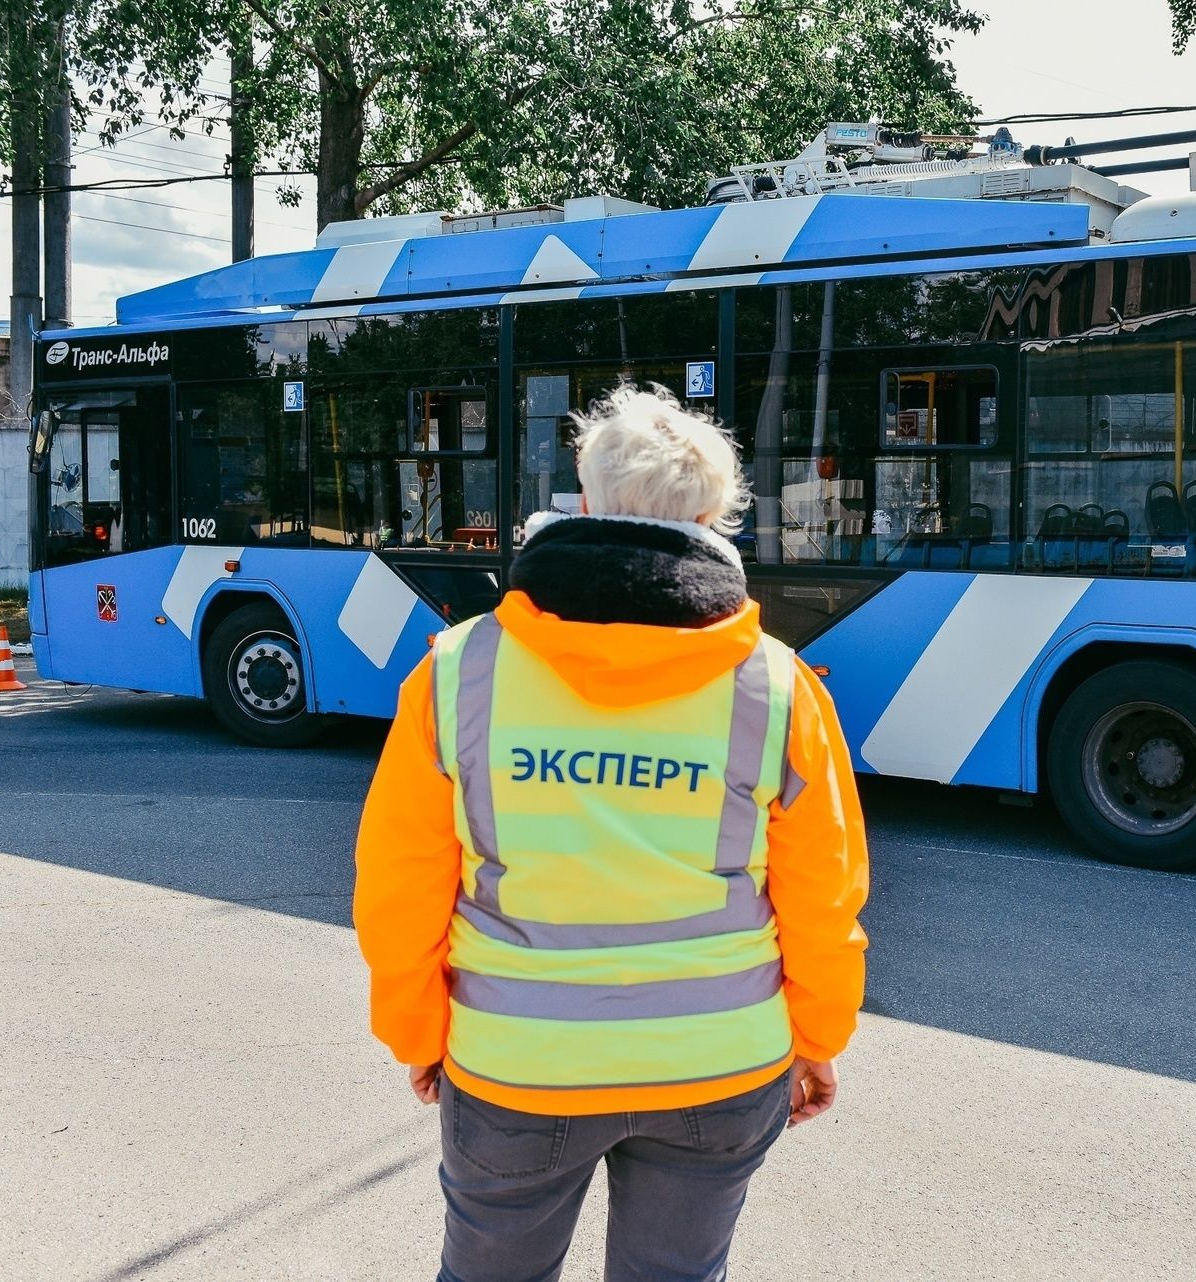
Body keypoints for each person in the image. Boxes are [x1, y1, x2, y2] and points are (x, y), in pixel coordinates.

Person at [354, 384, 869, 1282]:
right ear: (715, 517)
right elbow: (825, 898)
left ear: (582, 501)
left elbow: (398, 890)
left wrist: (423, 1033)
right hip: (721, 1064)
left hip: (517, 1062)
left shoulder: (458, 671)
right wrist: (817, 1040)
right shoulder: (779, 687)